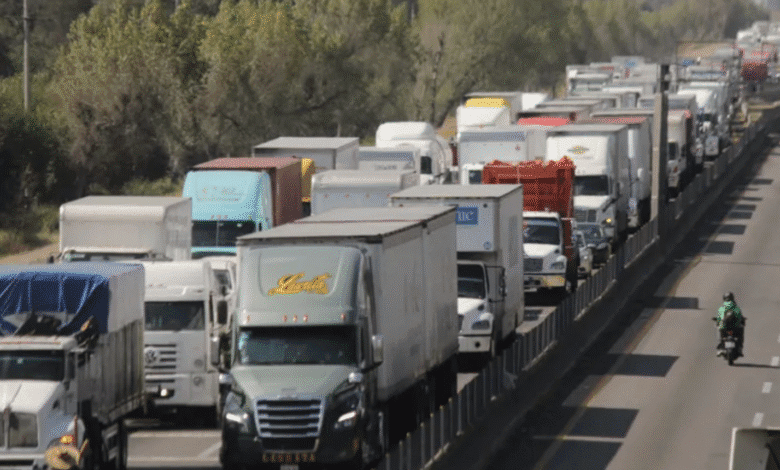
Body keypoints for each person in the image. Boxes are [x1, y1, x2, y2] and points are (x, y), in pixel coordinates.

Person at [716, 292, 745, 357]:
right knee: (741, 334)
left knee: (719, 332)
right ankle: (740, 348)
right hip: (735, 327)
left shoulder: (722, 308)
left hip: (724, 328)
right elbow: (740, 317)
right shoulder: (736, 307)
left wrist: (718, 323)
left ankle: (720, 348)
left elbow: (718, 318)